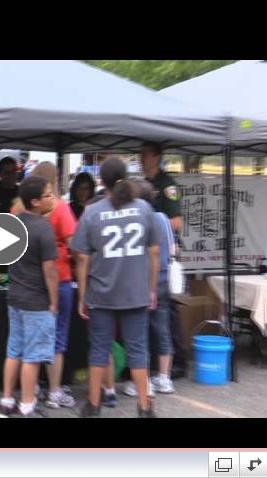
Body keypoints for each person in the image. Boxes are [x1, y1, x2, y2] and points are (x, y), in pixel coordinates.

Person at [71, 158, 159, 418]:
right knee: (138, 350)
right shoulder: (143, 208)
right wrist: (151, 289)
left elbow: (83, 258)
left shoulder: (91, 212)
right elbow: (154, 252)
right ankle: (145, 406)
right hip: (135, 292)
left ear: (101, 180)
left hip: (101, 293)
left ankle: (94, 404)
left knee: (99, 349)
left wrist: (82, 295)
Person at [0, 176, 58, 418]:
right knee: (32, 356)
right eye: (48, 195)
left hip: (16, 297)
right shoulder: (43, 227)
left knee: (14, 352)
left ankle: (6, 401)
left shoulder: (15, 223)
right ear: (35, 202)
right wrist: (53, 301)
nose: (52, 198)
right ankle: (27, 405)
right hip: (36, 301)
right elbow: (50, 271)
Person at [30, 162, 78, 409]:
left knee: (35, 336)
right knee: (57, 339)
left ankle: (33, 387)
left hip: (31, 282)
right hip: (59, 280)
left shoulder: (23, 209)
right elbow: (76, 244)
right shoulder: (61, 209)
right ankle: (54, 391)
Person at [121, 179, 175, 396]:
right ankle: (164, 378)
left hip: (141, 280)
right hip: (163, 279)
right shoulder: (162, 218)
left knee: (139, 332)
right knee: (162, 329)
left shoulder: (136, 220)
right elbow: (172, 248)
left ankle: (143, 383)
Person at [140, 141, 187, 380]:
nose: (141, 158)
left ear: (156, 156)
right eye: (140, 154)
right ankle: (154, 364)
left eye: (146, 154)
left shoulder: (167, 185)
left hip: (165, 254)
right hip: (146, 254)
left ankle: (177, 361)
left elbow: (176, 221)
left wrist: (152, 226)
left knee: (166, 312)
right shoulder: (142, 184)